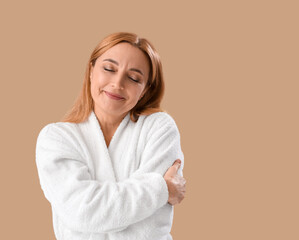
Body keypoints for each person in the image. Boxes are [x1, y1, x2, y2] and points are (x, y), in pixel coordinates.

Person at [35, 32, 186, 240]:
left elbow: (148, 228)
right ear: (90, 71)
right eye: (109, 69)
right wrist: (161, 189)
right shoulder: (56, 138)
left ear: (145, 90)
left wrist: (103, 213)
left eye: (134, 78)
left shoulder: (159, 128)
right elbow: (81, 211)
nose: (117, 83)